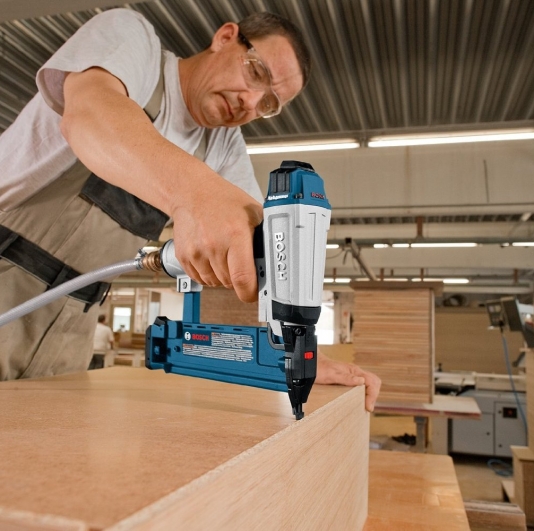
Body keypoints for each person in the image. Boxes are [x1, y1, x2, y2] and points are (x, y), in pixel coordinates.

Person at [0, 9, 380, 410]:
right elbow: (90, 115)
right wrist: (196, 195)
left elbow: (262, 250)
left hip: (74, 320)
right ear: (225, 37)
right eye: (255, 73)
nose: (250, 102)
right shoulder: (135, 44)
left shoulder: (223, 148)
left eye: (268, 103)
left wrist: (296, 352)